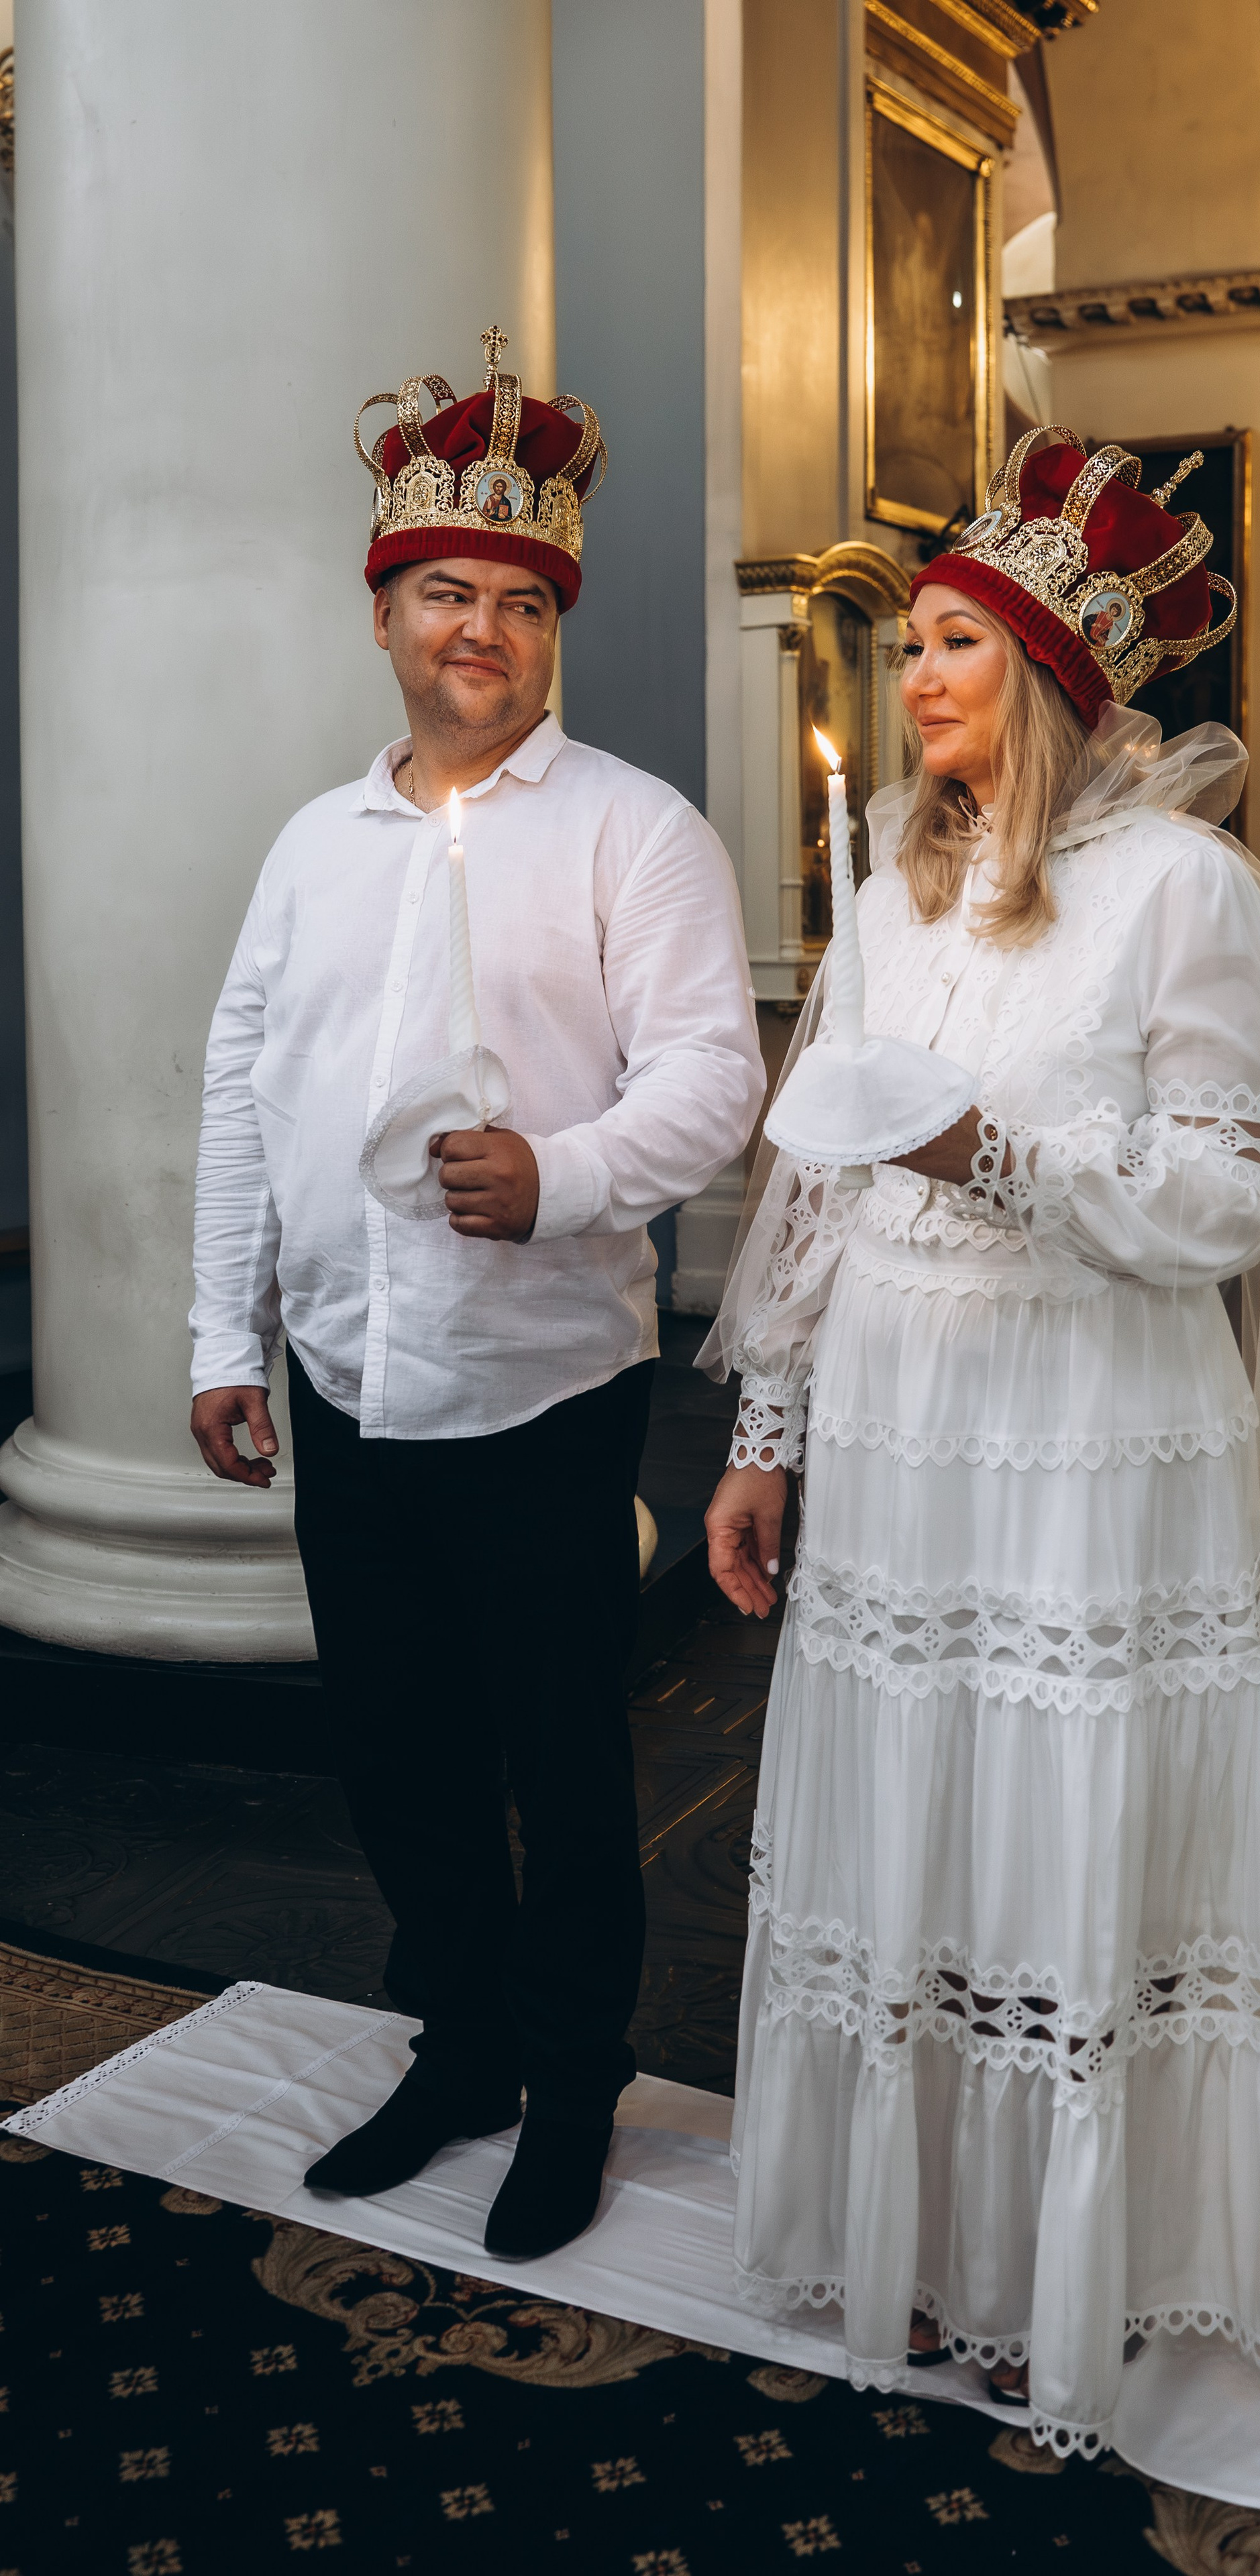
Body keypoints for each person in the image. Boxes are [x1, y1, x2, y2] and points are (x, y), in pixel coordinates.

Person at [701, 429, 1260, 2480]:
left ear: (1054, 678)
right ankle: (911, 2236)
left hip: (1090, 1437)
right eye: (906, 641)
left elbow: (1223, 1202)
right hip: (907, 1433)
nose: (913, 675)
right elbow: (818, 1194)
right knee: (912, 1816)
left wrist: (985, 1148)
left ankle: (1053, 2271)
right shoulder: (890, 893)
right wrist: (765, 1430)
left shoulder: (1181, 891)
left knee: (1057, 1826)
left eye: (951, 641)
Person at [187, 331, 764, 2259]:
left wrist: (565, 1174)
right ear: (384, 616)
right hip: (347, 1379)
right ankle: (460, 2044)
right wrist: (220, 1333)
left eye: (520, 604)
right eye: (447, 594)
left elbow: (712, 1075)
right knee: (396, 1745)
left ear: (551, 630)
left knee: (559, 1759)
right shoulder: (313, 845)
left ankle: (571, 2079)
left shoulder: (633, 829)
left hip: (544, 1385)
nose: (483, 631)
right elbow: (242, 1086)